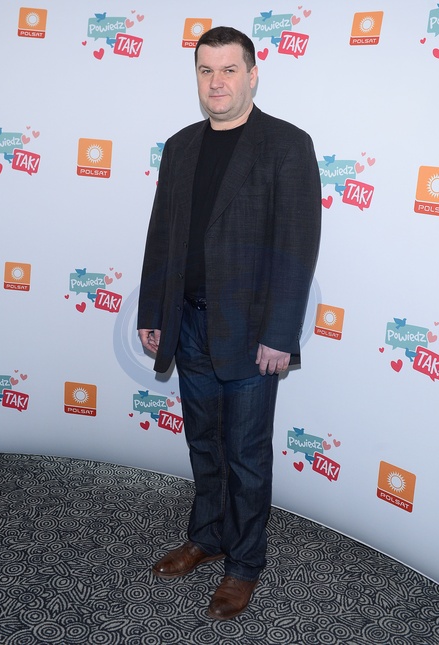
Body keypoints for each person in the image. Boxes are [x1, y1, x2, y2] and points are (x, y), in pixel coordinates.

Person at [137, 26, 321, 620]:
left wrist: (281, 334)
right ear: (197, 77)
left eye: (229, 69)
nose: (217, 82)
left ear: (252, 75)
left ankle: (244, 564)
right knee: (204, 443)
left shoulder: (286, 145)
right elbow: (162, 236)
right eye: (206, 70)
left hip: (251, 332)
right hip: (188, 324)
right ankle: (208, 536)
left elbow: (297, 247)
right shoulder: (180, 146)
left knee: (245, 454)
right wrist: (153, 312)